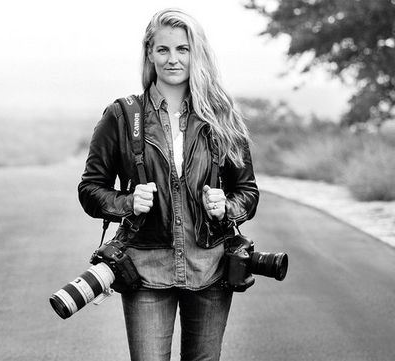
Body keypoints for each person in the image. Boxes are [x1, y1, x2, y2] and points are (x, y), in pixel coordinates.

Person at [78, 8, 259, 361]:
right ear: (150, 53)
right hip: (146, 272)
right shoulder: (122, 115)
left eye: (183, 49)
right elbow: (90, 189)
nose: (173, 59)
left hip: (210, 270)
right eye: (163, 50)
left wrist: (228, 205)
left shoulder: (221, 115)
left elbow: (248, 192)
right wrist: (127, 202)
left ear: (197, 53)